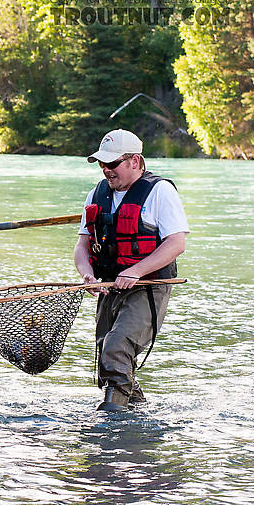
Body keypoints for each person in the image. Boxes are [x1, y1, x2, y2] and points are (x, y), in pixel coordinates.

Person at [73, 129, 188, 411]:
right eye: (102, 164)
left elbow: (176, 243)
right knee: (106, 355)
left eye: (112, 164)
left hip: (148, 286)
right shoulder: (95, 195)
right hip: (111, 285)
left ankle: (111, 422)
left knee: (116, 347)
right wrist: (87, 274)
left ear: (135, 161)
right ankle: (137, 410)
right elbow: (81, 247)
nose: (106, 171)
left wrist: (136, 271)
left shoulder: (160, 191)